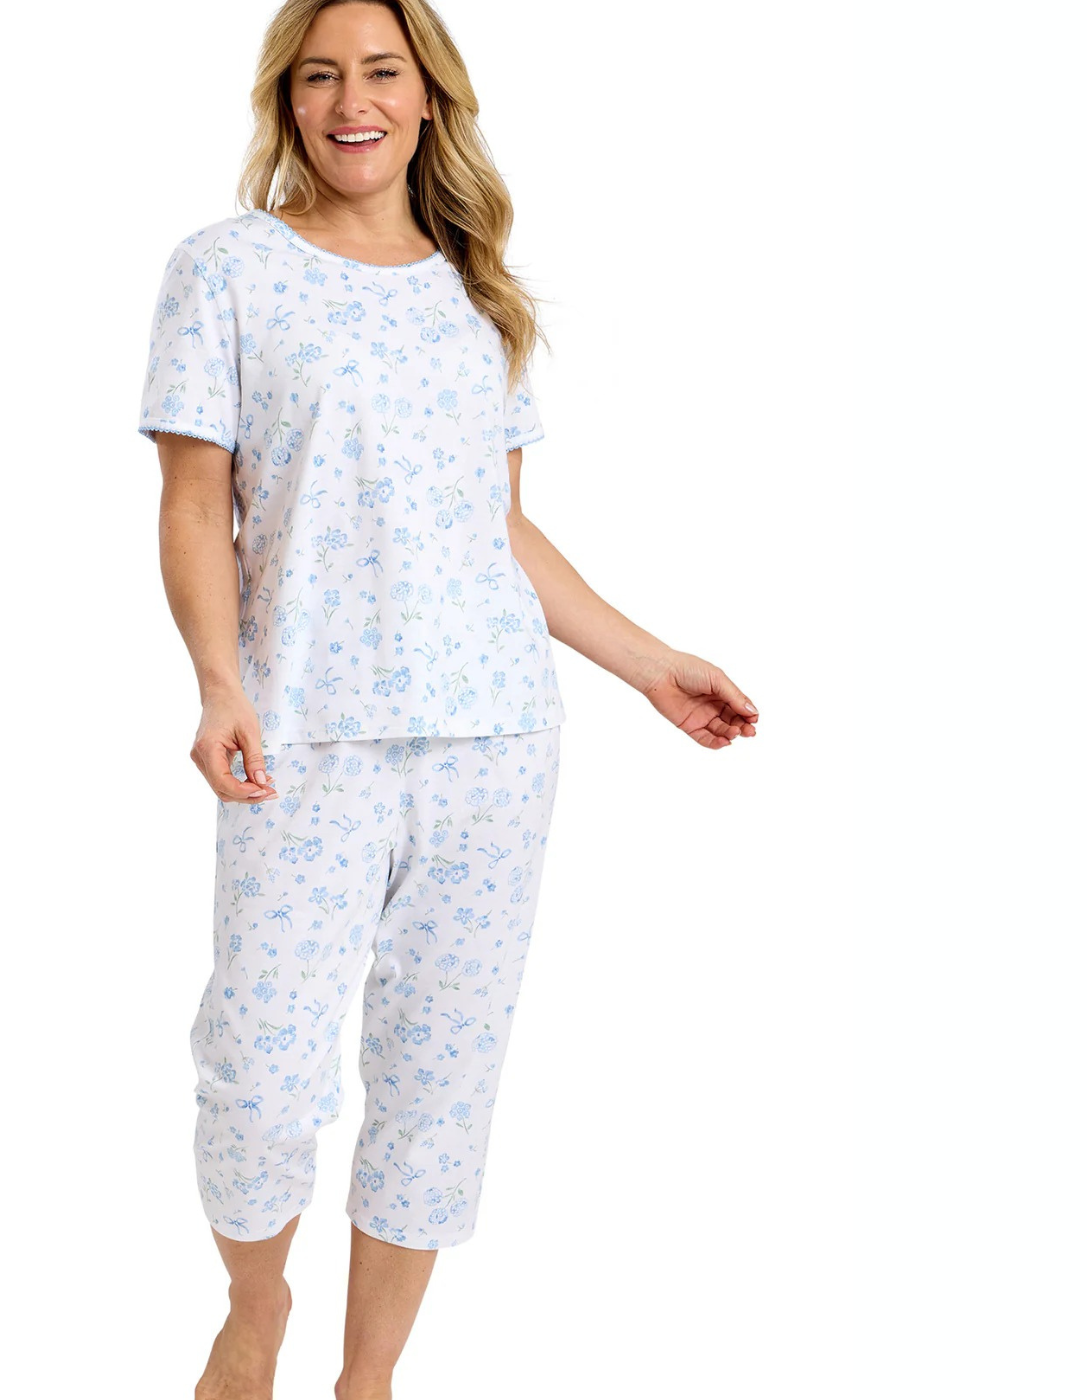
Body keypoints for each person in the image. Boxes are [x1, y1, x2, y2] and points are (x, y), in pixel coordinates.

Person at [136, 2, 760, 1395]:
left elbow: (499, 527)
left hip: (494, 745)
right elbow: (190, 505)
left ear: (430, 101)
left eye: (381, 72)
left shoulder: (480, 295)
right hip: (302, 740)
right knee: (258, 1073)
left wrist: (650, 662)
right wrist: (219, 682)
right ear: (286, 102)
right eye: (318, 77)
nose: (350, 101)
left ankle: (368, 1384)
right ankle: (255, 1310)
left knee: (437, 1084)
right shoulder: (226, 269)